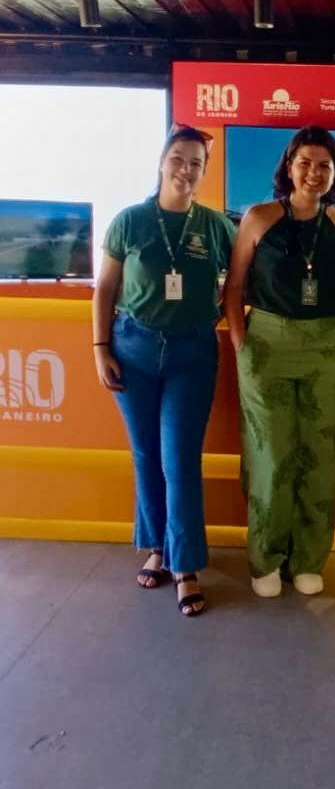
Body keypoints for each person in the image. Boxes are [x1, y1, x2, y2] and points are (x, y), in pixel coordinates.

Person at [92, 123, 235, 617]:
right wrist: (100, 347)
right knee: (146, 456)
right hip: (132, 349)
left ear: (204, 171)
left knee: (180, 460)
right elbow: (104, 289)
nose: (185, 170)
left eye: (196, 163)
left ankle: (185, 566)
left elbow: (243, 280)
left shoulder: (216, 227)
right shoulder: (129, 221)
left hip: (192, 354)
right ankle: (157, 546)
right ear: (161, 162)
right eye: (178, 159)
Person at [225, 126, 335, 598]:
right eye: (305, 163)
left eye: (324, 165)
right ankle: (266, 557)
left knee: (319, 455)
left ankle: (308, 559)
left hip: (325, 345)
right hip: (267, 342)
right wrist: (242, 344)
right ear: (288, 167)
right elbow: (234, 287)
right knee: (272, 454)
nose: (314, 173)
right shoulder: (259, 218)